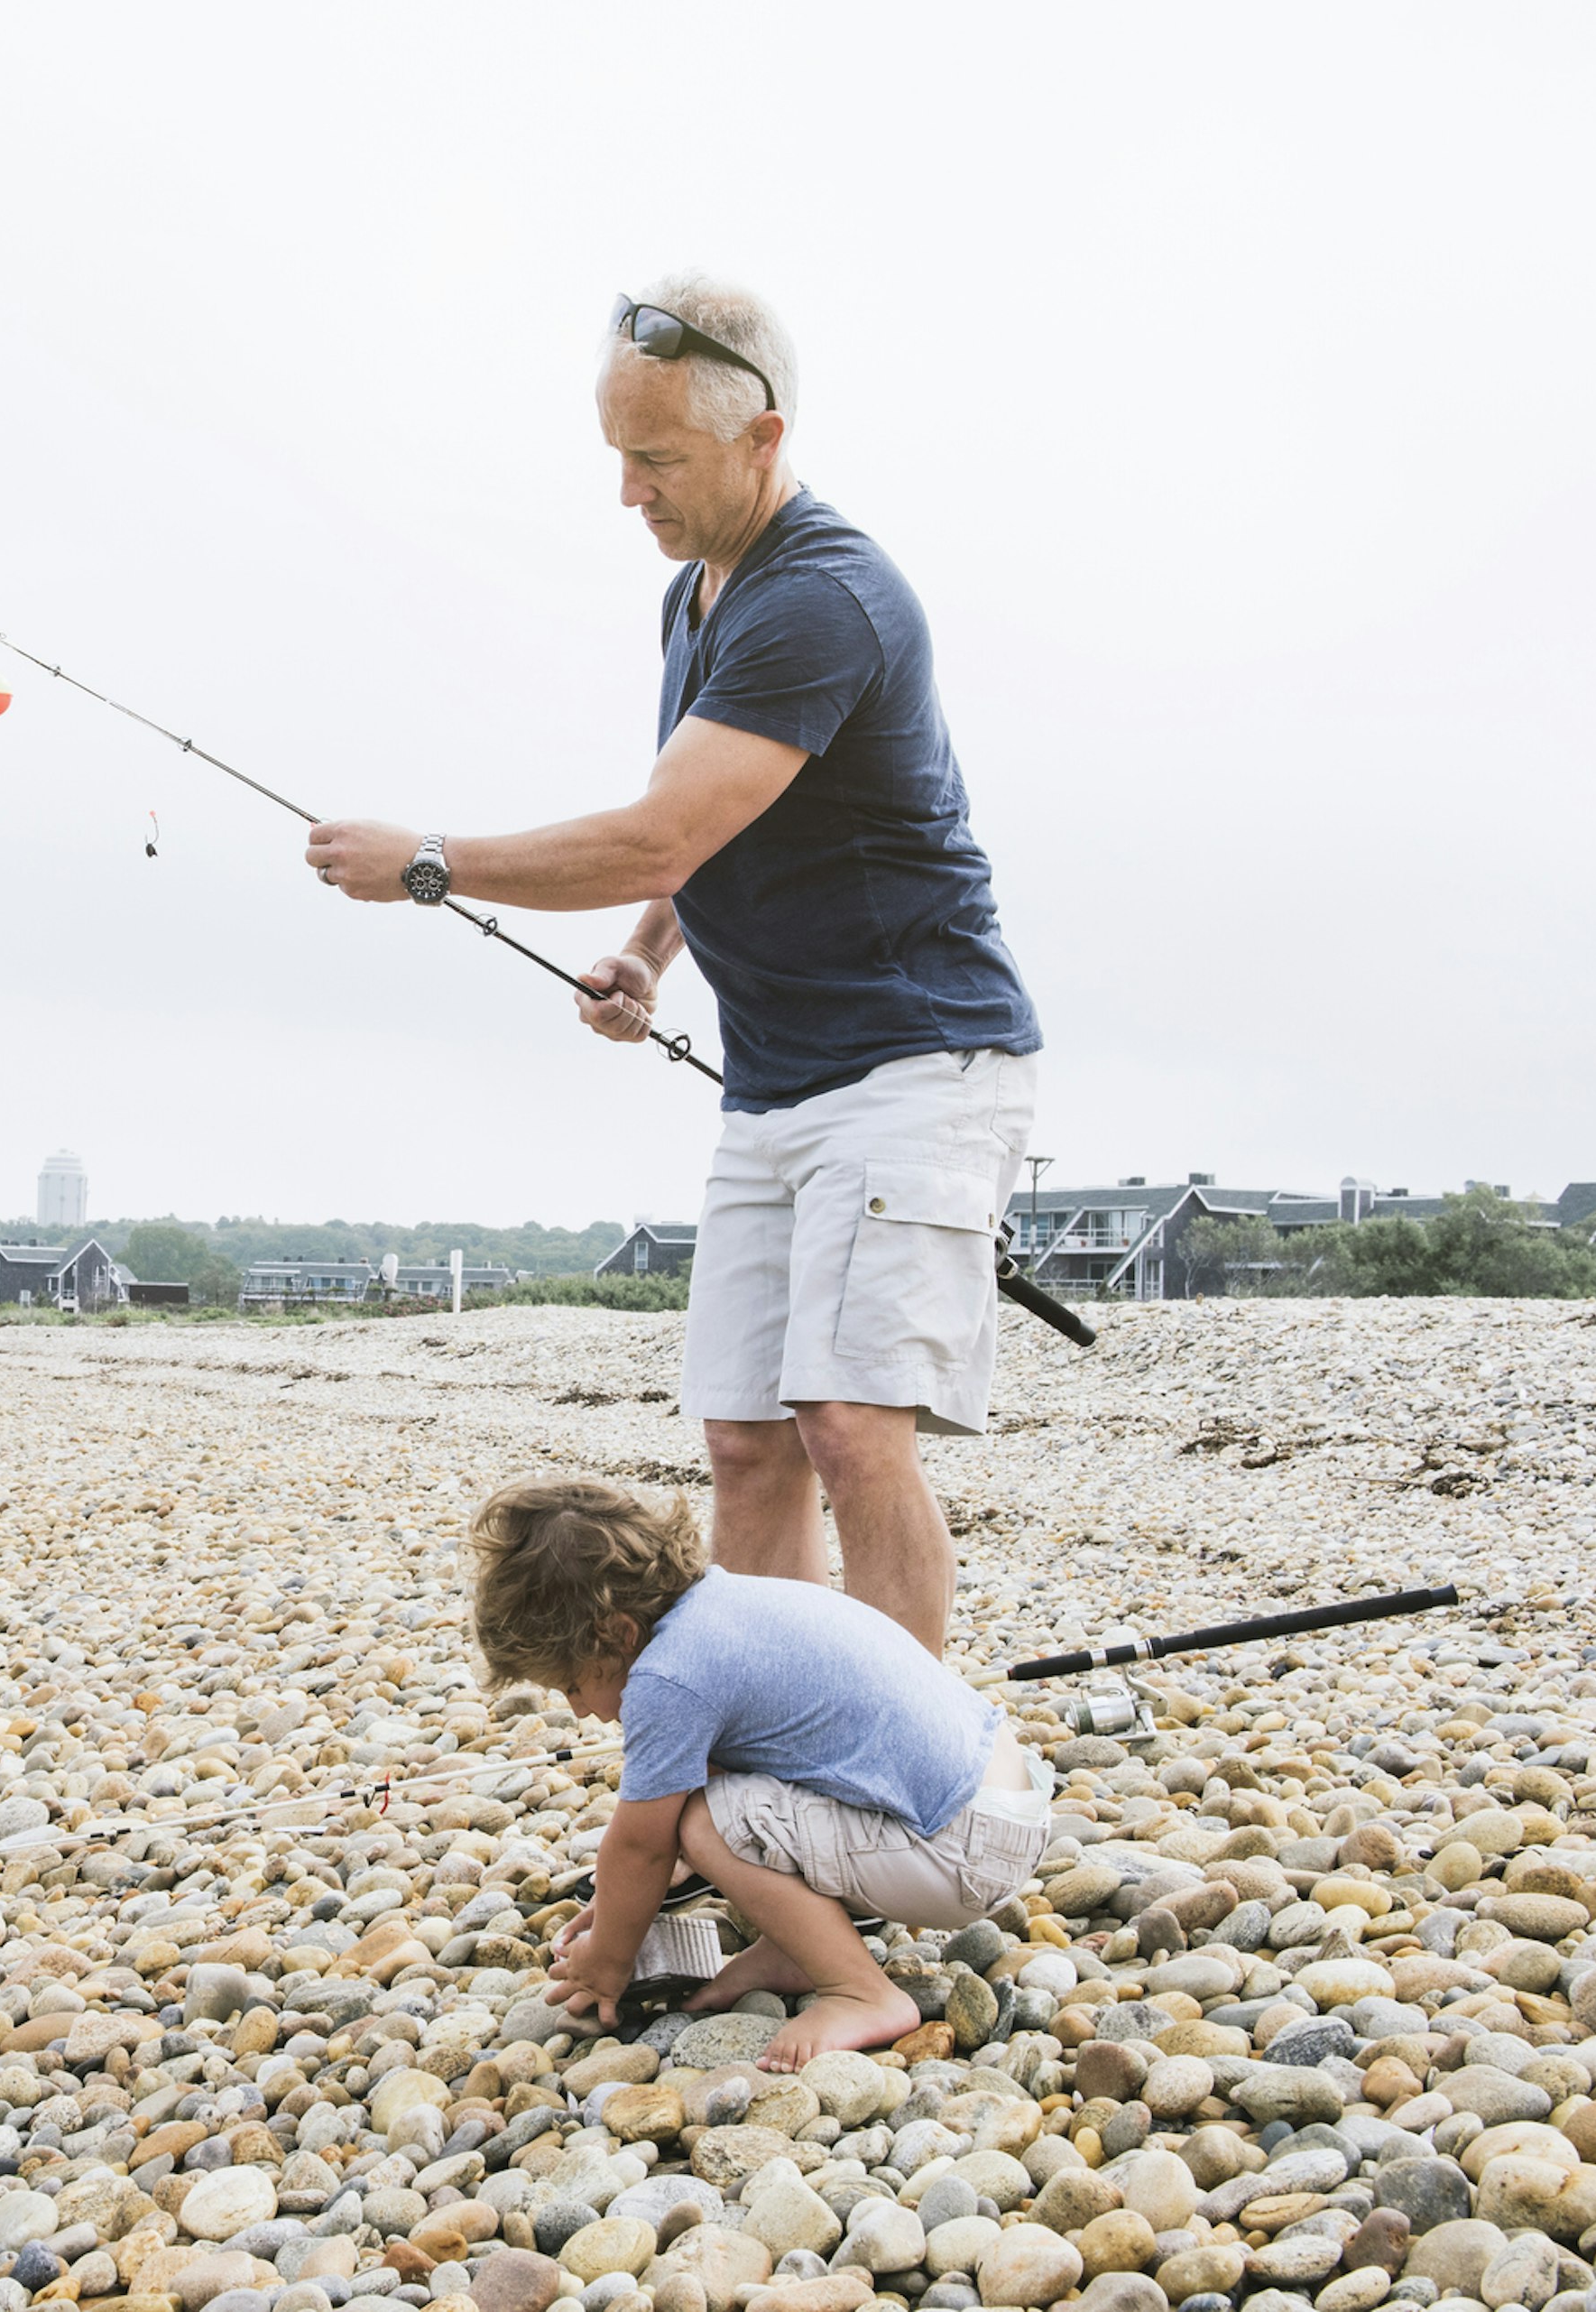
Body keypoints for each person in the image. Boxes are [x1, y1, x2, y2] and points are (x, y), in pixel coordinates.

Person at [304, 273, 1041, 1657]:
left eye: (659, 460)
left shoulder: (825, 598)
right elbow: (710, 843)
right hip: (772, 1081)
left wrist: (430, 861)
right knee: (747, 1441)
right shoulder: (696, 594)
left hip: (919, 1061)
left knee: (850, 1427)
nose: (629, 493)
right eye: (618, 456)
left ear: (761, 439)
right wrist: (649, 956)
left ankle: (903, 1772)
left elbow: (660, 828)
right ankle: (779, 1745)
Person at [464, 1475, 1049, 2067]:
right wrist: (624, 1905)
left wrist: (607, 1963)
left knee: (703, 1824)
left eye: (572, 1684)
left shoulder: (668, 1677)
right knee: (727, 1796)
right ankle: (798, 1950)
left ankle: (860, 1992)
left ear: (617, 1634)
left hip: (963, 1847)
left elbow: (641, 1844)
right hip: (999, 1790)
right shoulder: (725, 1604)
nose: (579, 1709)